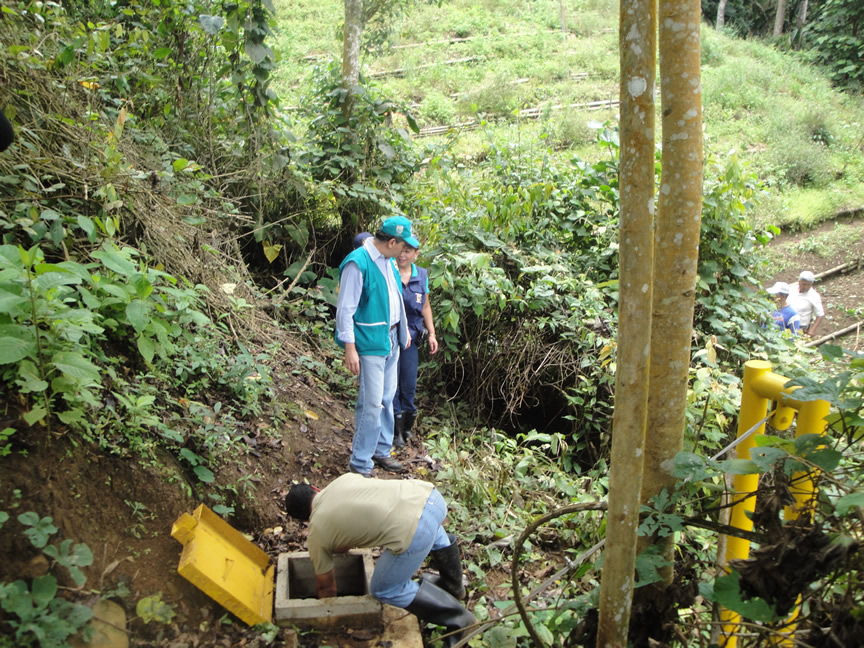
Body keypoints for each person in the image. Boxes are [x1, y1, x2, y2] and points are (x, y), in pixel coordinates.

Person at [284, 475, 475, 647]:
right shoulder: (341, 481)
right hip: (430, 497)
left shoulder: (317, 532)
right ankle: (454, 587)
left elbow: (327, 588)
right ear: (316, 488)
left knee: (383, 589)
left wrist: (327, 615)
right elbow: (346, 536)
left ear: (304, 519)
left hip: (416, 528)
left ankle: (460, 620)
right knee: (431, 528)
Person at [336, 216, 418, 476]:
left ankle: (381, 450)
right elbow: (345, 310)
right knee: (371, 403)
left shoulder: (388, 261)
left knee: (386, 398)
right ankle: (360, 461)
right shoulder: (358, 263)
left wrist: (403, 329)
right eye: (403, 246)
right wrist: (350, 348)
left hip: (391, 338)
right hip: (370, 341)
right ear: (391, 242)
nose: (404, 253)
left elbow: (395, 298)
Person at [393, 243, 438, 448]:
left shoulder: (421, 275)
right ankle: (395, 432)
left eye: (407, 251)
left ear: (416, 254)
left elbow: (425, 306)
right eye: (400, 250)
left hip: (412, 337)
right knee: (392, 384)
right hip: (391, 336)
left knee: (409, 383)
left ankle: (406, 427)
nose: (402, 255)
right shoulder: (389, 271)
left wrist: (432, 334)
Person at [788, 270, 825, 337]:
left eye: (809, 285)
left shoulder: (814, 296)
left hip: (800, 328)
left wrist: (812, 330)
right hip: (786, 325)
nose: (806, 287)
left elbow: (820, 314)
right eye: (804, 284)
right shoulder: (791, 290)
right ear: (799, 282)